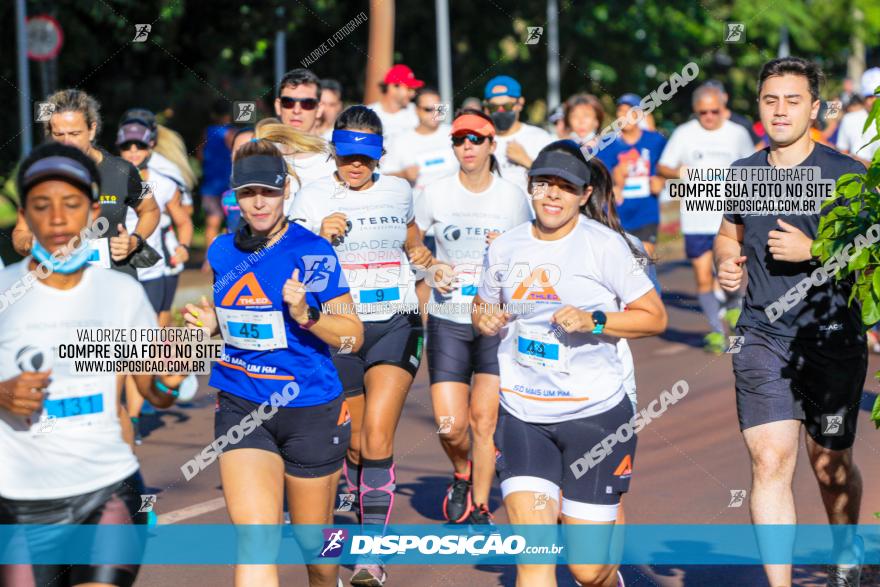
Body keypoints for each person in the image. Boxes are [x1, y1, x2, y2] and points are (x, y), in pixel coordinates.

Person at [472, 140, 666, 587]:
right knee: (535, 561)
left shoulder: (606, 247)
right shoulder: (505, 247)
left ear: (583, 195)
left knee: (587, 570)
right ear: (530, 188)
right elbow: (481, 306)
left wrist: (594, 319)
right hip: (523, 415)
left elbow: (655, 316)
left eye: (565, 187)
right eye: (544, 185)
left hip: (594, 417)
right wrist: (486, 318)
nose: (553, 195)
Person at [0, 142, 186, 587]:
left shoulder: (120, 293)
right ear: (25, 215)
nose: (59, 219)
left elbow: (155, 390)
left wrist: (172, 377)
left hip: (108, 490)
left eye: (73, 204)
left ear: (92, 212)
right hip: (21, 500)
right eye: (42, 206)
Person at [715, 56, 868, 587]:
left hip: (831, 339)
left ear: (816, 108)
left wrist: (816, 250)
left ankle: (847, 552)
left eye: (793, 99)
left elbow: (871, 256)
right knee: (770, 460)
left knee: (830, 466)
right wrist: (723, 260)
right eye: (771, 100)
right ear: (759, 107)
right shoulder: (743, 174)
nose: (780, 110)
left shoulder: (848, 174)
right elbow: (729, 233)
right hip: (761, 335)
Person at [182, 138, 363, 587]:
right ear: (235, 196)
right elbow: (248, 322)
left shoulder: (312, 251)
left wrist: (308, 315)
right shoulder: (222, 251)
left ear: (286, 191)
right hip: (243, 405)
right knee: (256, 541)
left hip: (311, 411)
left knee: (315, 554)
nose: (259, 202)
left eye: (269, 191)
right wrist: (213, 328)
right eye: (248, 193)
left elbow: (352, 337)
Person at [291, 105, 432, 587]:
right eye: (347, 155)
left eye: (365, 157)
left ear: (380, 156)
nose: (356, 165)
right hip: (339, 327)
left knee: (376, 435)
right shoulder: (311, 197)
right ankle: (360, 508)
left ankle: (372, 555)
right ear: (333, 152)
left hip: (397, 321)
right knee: (353, 444)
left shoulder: (398, 190)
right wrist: (315, 236)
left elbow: (414, 241)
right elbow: (285, 263)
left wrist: (423, 264)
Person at [415, 110, 531, 525]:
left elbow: (532, 255)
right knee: (450, 424)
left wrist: (509, 249)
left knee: (484, 420)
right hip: (448, 316)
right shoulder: (435, 193)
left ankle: (481, 504)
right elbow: (412, 236)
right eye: (459, 139)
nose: (467, 146)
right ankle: (462, 470)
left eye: (475, 139)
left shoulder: (512, 197)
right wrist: (429, 266)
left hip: (495, 321)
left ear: (491, 145)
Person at [12, 90, 160, 278]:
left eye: (74, 133)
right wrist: (31, 243)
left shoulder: (124, 169)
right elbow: (20, 232)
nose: (67, 142)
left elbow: (151, 210)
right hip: (60, 285)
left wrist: (135, 240)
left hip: (114, 282)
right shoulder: (38, 175)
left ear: (91, 130)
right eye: (59, 134)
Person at [657, 83, 754, 353]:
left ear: (723, 107)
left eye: (715, 111)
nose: (709, 117)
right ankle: (715, 331)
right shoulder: (684, 134)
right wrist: (677, 173)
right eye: (703, 112)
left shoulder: (737, 134)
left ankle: (734, 312)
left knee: (730, 275)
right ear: (695, 111)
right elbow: (663, 167)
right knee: (702, 277)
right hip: (696, 219)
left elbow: (753, 168)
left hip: (731, 218)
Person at [116, 117, 194, 444]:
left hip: (152, 274)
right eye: (126, 146)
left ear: (150, 147)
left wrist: (184, 247)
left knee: (140, 349)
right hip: (117, 276)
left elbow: (184, 221)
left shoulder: (163, 183)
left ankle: (131, 418)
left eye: (139, 145)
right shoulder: (108, 180)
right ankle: (122, 410)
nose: (133, 152)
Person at [595, 95, 667, 257]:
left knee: (643, 262)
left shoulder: (655, 140)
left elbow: (668, 167)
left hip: (646, 213)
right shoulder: (607, 143)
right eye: (621, 112)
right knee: (621, 263)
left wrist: (662, 181)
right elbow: (601, 175)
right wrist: (614, 180)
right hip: (616, 215)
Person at [274, 69, 338, 213]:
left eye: (307, 103)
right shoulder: (263, 154)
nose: (297, 110)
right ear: (278, 106)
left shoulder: (337, 159)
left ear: (319, 108)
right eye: (288, 102)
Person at [482, 75, 553, 194]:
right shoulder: (479, 141)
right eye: (494, 107)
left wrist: (526, 161)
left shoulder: (540, 138)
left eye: (507, 106)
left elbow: (556, 181)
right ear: (486, 108)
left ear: (520, 103)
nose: (501, 111)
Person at [384, 87, 458, 193]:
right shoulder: (400, 140)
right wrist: (403, 174)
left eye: (439, 109)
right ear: (416, 110)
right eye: (428, 109)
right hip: (417, 207)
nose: (435, 114)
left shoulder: (454, 133)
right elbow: (384, 176)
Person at [198, 99, 235, 259]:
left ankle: (209, 258)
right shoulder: (231, 133)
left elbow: (200, 155)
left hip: (210, 183)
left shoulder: (207, 132)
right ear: (228, 115)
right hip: (229, 184)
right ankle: (231, 257)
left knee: (212, 222)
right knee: (232, 222)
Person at [836, 67, 880, 166]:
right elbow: (842, 151)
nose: (873, 101)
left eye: (877, 97)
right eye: (869, 97)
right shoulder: (839, 97)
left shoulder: (851, 97)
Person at [367, 64, 423, 143]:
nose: (413, 93)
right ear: (392, 87)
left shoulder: (417, 110)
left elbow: (440, 125)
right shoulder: (368, 114)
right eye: (409, 89)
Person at [704, 80, 764, 148]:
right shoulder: (697, 123)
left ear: (725, 97)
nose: (711, 99)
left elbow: (759, 146)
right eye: (706, 95)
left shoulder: (742, 124)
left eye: (715, 95)